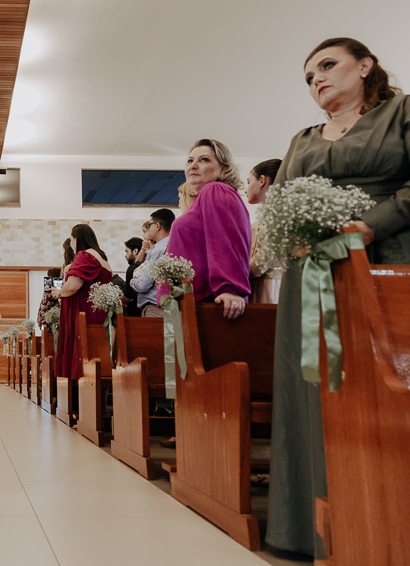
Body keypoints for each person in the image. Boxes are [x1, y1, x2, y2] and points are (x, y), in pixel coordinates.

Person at [267, 38, 409, 560]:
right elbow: (280, 202)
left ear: (365, 65)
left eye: (327, 66)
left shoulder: (401, 113)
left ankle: (386, 523)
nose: (317, 80)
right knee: (312, 387)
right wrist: (293, 237)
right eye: (309, 77)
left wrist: (368, 226)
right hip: (311, 274)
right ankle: (307, 528)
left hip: (386, 257)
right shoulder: (302, 139)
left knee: (379, 386)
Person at [164, 139, 251, 320]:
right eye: (190, 161)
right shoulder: (202, 199)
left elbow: (226, 240)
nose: (193, 165)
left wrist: (230, 289)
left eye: (204, 160)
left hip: (211, 302)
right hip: (191, 300)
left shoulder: (216, 189)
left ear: (224, 169)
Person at [50, 224, 114, 400]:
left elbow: (72, 286)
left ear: (76, 238)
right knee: (95, 355)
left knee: (81, 353)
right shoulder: (102, 258)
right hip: (96, 313)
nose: (71, 245)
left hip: (81, 312)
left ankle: (79, 401)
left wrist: (60, 292)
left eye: (71, 240)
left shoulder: (85, 255)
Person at [245, 159, 283, 304]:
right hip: (259, 285)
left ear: (262, 180)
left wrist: (235, 275)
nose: (245, 189)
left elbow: (262, 260)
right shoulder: (270, 217)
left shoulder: (279, 217)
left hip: (269, 289)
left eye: (249, 182)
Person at [130, 209, 176, 318]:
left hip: (155, 308)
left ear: (157, 226)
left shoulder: (158, 250)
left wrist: (133, 281)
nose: (148, 229)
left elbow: (143, 285)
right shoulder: (174, 244)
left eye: (149, 225)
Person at [121, 237, 143, 317]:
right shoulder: (146, 265)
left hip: (134, 314)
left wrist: (119, 301)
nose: (125, 256)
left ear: (135, 251)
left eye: (127, 251)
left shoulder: (132, 268)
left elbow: (128, 296)